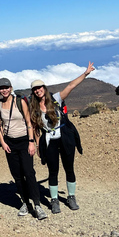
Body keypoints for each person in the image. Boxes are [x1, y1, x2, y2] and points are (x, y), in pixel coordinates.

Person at [27, 62, 94, 214]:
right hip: (49, 141)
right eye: (35, 89)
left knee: (69, 168)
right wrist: (38, 146)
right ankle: (54, 200)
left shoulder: (56, 98)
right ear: (33, 92)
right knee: (53, 171)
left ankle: (71, 197)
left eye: (40, 88)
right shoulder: (34, 109)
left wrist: (85, 73)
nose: (38, 91)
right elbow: (36, 129)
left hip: (65, 137)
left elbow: (70, 86)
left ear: (44, 88)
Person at [0, 77, 47, 220]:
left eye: (6, 87)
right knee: (17, 175)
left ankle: (37, 204)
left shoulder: (20, 101)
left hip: (24, 140)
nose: (4, 90)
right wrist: (3, 142)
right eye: (1, 88)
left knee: (29, 173)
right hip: (9, 143)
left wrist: (31, 142)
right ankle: (25, 202)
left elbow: (29, 122)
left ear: (11, 88)